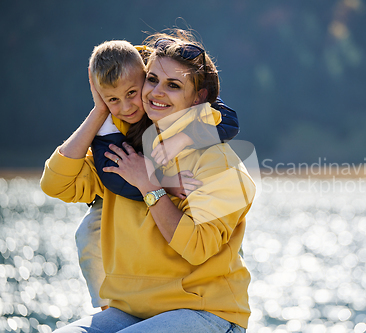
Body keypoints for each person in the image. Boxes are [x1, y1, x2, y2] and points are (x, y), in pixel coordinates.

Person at [40, 29, 255, 332]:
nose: (156, 92)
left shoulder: (218, 162)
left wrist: (150, 185)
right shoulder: (125, 149)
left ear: (199, 96)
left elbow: (197, 248)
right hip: (133, 310)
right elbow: (55, 184)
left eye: (173, 86)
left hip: (207, 313)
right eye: (152, 80)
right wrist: (99, 110)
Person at [75, 40, 240, 310]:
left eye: (172, 85)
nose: (127, 105)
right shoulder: (113, 107)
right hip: (133, 177)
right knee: (87, 232)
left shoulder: (151, 67)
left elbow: (229, 120)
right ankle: (107, 306)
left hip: (203, 302)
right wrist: (160, 183)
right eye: (152, 81)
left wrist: (186, 137)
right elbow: (111, 174)